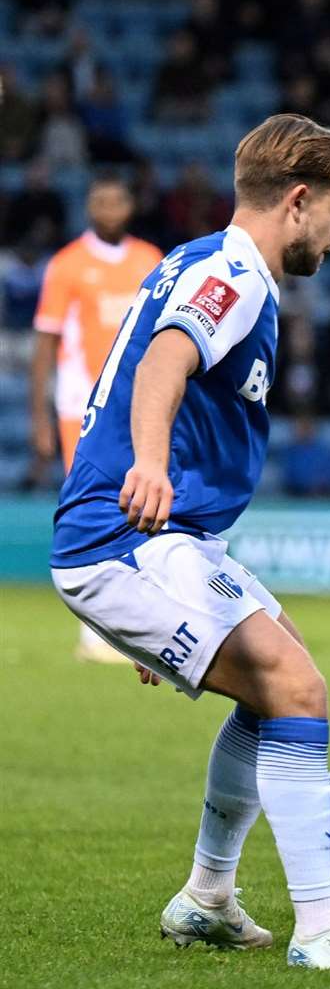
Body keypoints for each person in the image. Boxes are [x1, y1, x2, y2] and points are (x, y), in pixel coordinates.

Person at [48, 114, 330, 972]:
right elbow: (161, 362)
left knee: (274, 677)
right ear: (296, 201)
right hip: (130, 535)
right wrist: (148, 466)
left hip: (164, 543)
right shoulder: (234, 276)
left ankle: (208, 898)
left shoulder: (197, 260)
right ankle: (321, 929)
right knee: (297, 688)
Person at [31, 173, 163, 664]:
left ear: (131, 205)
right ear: (88, 207)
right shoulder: (67, 265)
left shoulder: (150, 260)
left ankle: (136, 624)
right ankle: (95, 632)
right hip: (80, 406)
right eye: (100, 201)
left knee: (137, 507)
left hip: (137, 406)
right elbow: (46, 343)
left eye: (117, 200)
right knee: (94, 509)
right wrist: (39, 418)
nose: (109, 210)